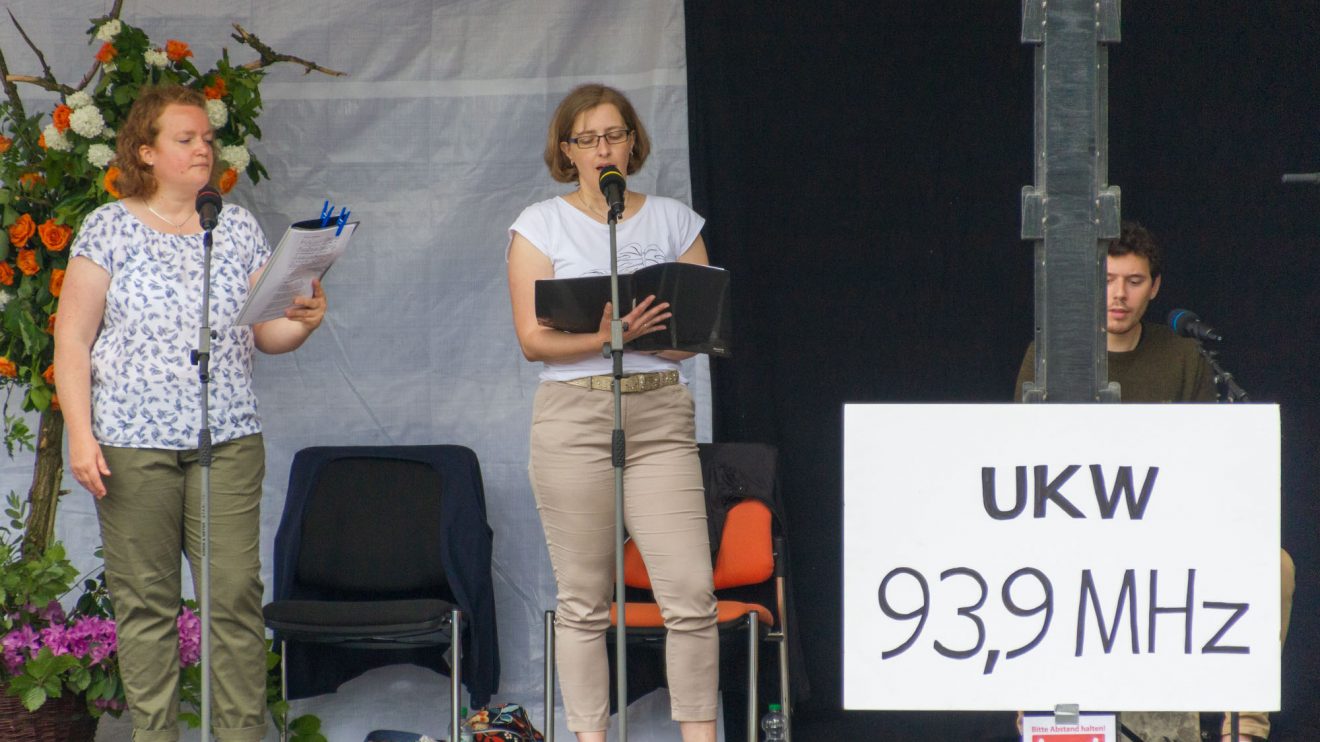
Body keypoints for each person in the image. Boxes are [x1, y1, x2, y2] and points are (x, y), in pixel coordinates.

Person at [54, 85, 327, 742]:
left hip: (227, 436)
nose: (204, 147)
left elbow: (267, 333)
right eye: (186, 138)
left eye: (207, 137)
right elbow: (72, 339)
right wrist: (81, 436)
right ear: (146, 153)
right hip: (129, 441)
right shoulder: (108, 227)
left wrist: (306, 322)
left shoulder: (233, 227)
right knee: (146, 606)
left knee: (232, 598)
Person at [1015, 221, 1296, 742]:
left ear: (1156, 287)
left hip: (1169, 538)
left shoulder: (1183, 357)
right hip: (1076, 539)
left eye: (1134, 281)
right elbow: (1025, 469)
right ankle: (1041, 705)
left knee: (1274, 566)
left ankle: (1246, 726)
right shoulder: (1049, 356)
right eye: (1107, 279)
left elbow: (1207, 469)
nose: (1118, 295)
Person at [506, 83, 719, 742]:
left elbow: (702, 328)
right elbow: (533, 340)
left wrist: (648, 334)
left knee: (690, 595)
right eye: (588, 138)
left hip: (658, 414)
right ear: (566, 151)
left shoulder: (675, 221)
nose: (603, 148)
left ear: (633, 142)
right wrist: (604, 338)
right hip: (576, 416)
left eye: (614, 134)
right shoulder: (539, 226)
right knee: (583, 603)